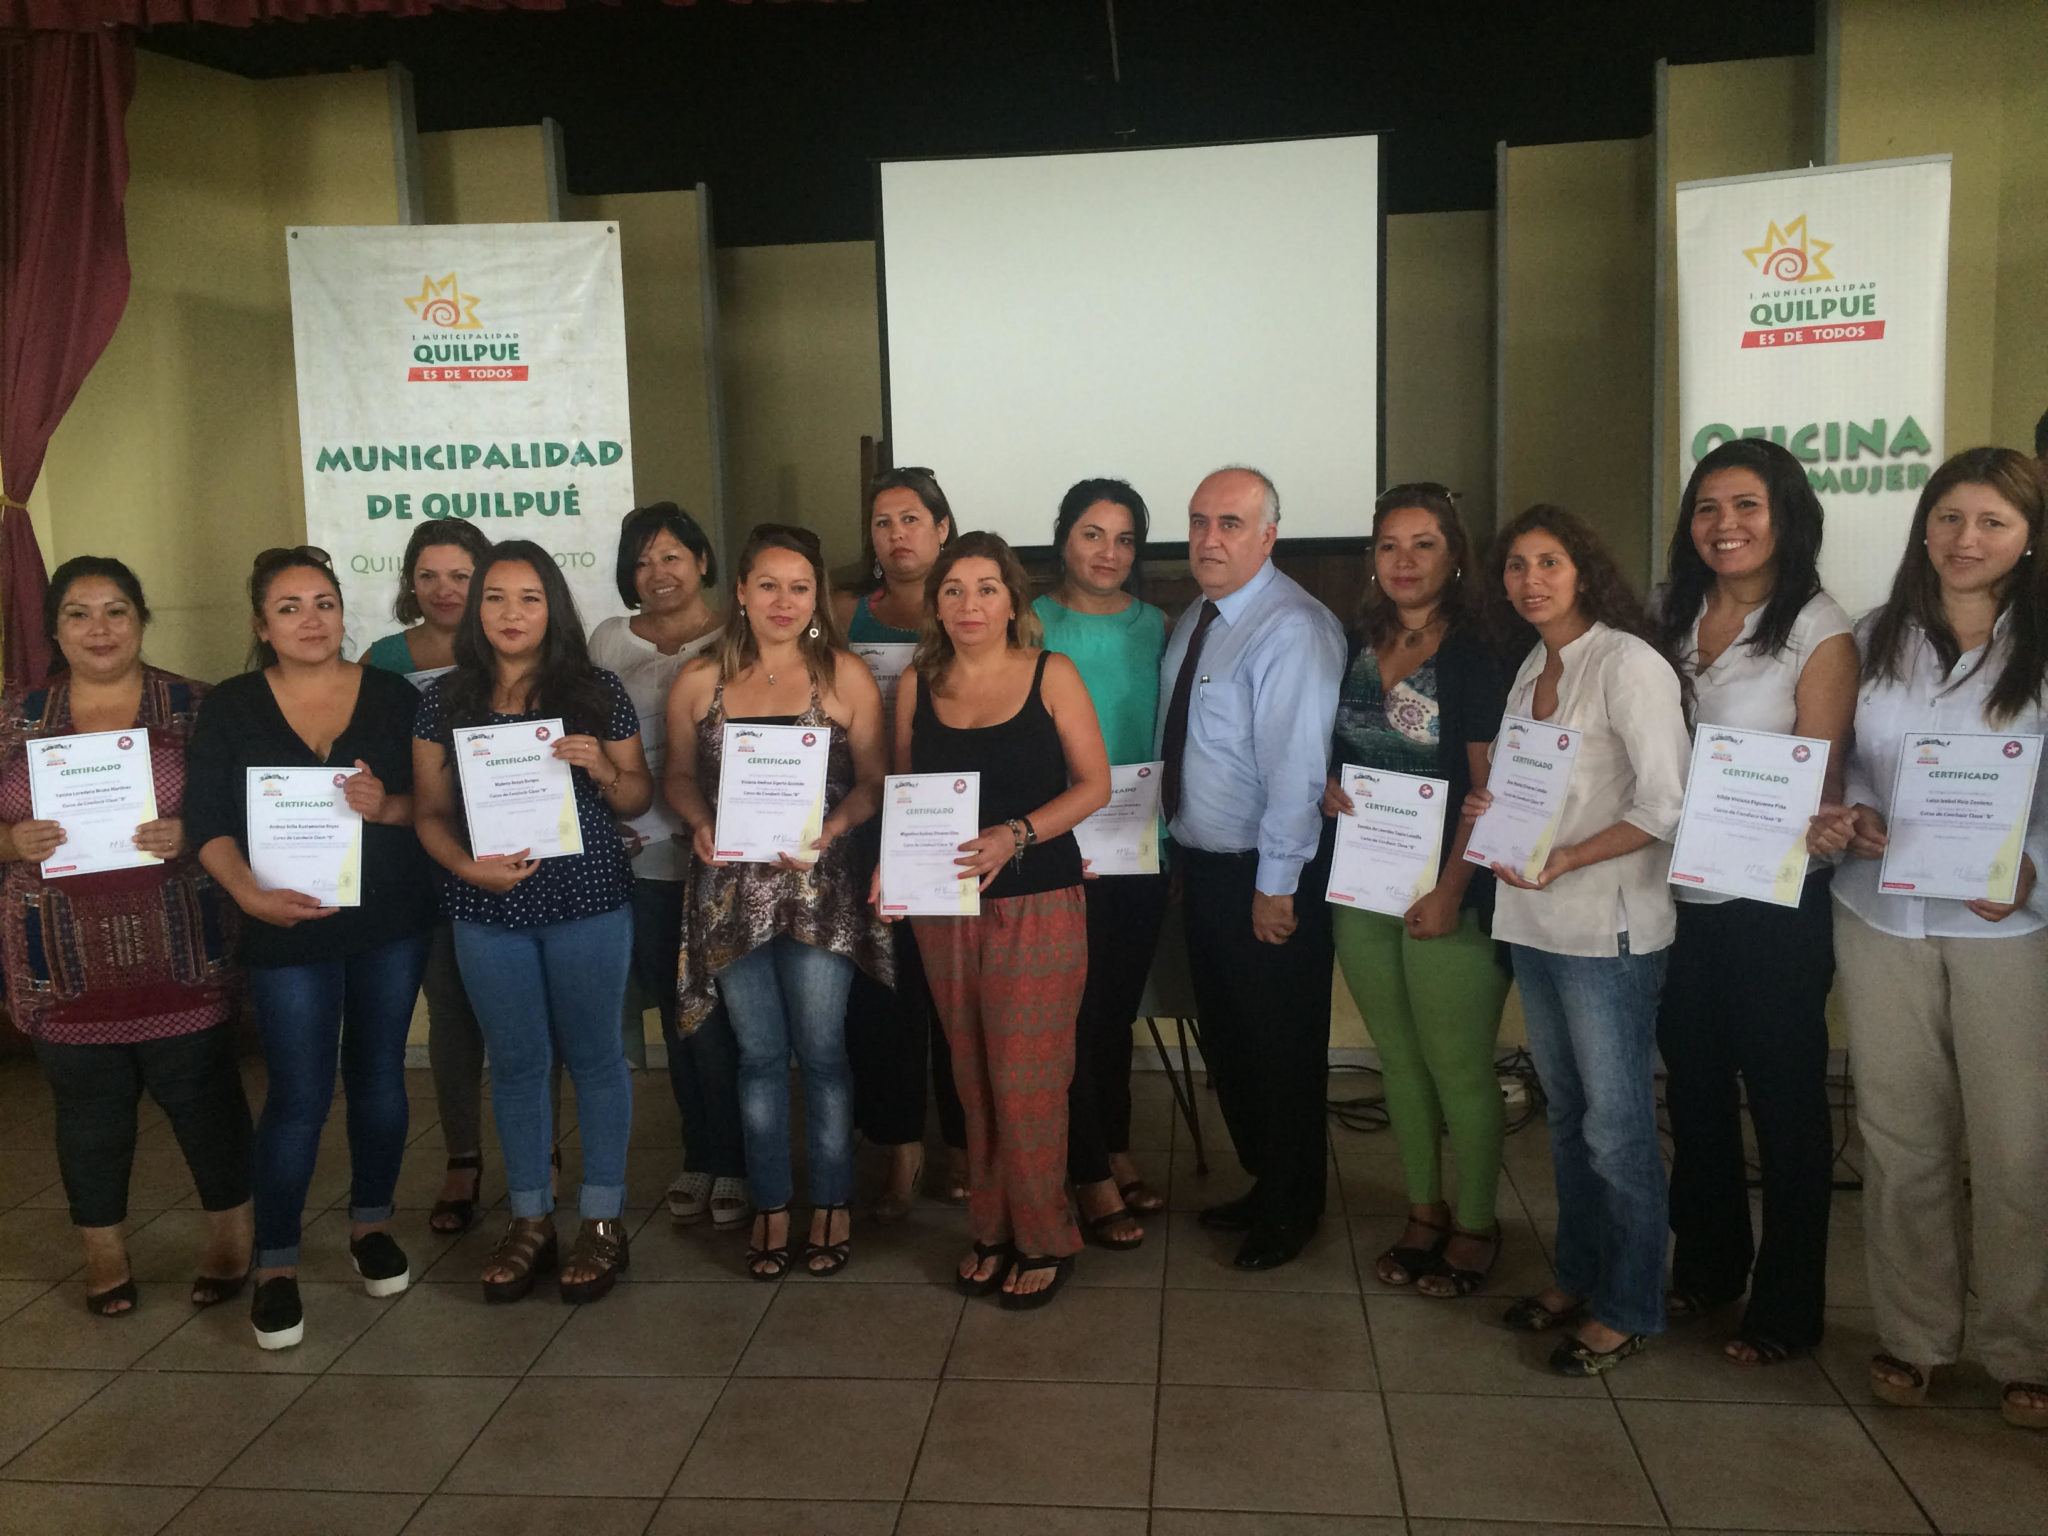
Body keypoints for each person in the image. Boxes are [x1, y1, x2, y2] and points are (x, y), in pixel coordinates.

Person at [1808, 447, 2048, 1431]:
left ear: (2027, 537)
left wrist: (2033, 868)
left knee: (2015, 1146)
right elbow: (1853, 768)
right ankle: (1912, 1335)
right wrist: (1849, 816)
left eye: (1990, 522)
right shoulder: (1874, 636)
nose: (1963, 540)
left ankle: (2018, 1343)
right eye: (1947, 518)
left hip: (2007, 929)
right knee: (1899, 1136)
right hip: (1879, 914)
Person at [187, 547, 439, 1350]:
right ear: (262, 625)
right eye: (290, 607)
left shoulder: (394, 696)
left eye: (324, 602)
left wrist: (386, 804)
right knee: (298, 1094)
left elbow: (431, 805)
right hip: (282, 924)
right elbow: (207, 824)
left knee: (377, 1081)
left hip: (388, 921)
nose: (310, 619)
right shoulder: (231, 707)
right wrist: (248, 895)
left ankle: (371, 1225)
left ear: (342, 612)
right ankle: (278, 1265)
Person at [1467, 505, 1690, 1376]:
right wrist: (1498, 815)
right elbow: (1542, 790)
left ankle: (1631, 1304)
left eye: (1549, 563)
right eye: (1517, 566)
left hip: (1610, 929)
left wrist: (1566, 855)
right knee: (1566, 1122)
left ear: (1585, 571)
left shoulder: (1626, 663)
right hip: (1535, 921)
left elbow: (1666, 804)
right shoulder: (1533, 667)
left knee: (1617, 1131)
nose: (1531, 581)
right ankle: (1578, 1275)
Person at [0, 557, 251, 1317]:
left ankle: (230, 1239)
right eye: (79, 613)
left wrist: (193, 827)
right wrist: (13, 845)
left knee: (205, 1102)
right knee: (87, 1114)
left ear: (142, 618)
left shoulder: (198, 707)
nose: (99, 629)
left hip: (184, 952)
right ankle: (103, 1254)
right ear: (54, 628)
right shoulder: (13, 716)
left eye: (116, 610)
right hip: (59, 964)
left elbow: (253, 806)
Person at [1651, 439, 1856, 1365]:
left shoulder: (1818, 626)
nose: (1724, 526)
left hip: (1774, 905)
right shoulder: (1671, 617)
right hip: (1678, 896)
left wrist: (1822, 822)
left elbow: (1823, 773)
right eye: (1707, 508)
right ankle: (1708, 1267)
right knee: (1691, 1092)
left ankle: (1784, 1306)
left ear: (1786, 516)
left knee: (1784, 1107)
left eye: (1745, 507)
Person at [412, 540, 653, 1306]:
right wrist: (464, 867)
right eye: (495, 598)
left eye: (528, 598)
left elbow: (637, 797)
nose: (511, 614)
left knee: (596, 1061)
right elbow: (429, 813)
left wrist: (603, 770)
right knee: (515, 1066)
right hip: (487, 907)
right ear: (475, 609)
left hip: (586, 903)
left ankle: (604, 1220)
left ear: (553, 608)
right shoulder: (445, 700)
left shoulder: (595, 691)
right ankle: (530, 1219)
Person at [892, 531, 1110, 1308]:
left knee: (1029, 1081)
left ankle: (1045, 1235)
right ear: (935, 604)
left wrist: (1015, 835)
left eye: (987, 588)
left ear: (1014, 600)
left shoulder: (1053, 675)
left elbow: (1095, 786)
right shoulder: (919, 682)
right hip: (943, 908)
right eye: (953, 590)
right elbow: (902, 787)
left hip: (1038, 901)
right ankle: (990, 1227)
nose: (969, 604)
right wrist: (894, 856)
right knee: (971, 1078)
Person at [667, 524, 891, 1278]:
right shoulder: (701, 679)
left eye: (800, 587)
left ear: (816, 594)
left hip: (819, 891)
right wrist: (698, 821)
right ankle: (770, 1204)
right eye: (768, 585)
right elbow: (674, 778)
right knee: (759, 1056)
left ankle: (829, 1201)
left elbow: (872, 783)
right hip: (729, 894)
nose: (784, 601)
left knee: (823, 1053)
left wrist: (831, 828)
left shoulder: (846, 677)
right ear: (739, 590)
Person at [1323, 485, 1512, 1298]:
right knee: (1398, 1061)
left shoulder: (1478, 650)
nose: (1404, 561)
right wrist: (1329, 784)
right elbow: (1341, 744)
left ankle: (1476, 1223)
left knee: (1460, 1067)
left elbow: (1490, 788)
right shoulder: (1356, 640)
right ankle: (1424, 1209)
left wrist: (1453, 886)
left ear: (1455, 554)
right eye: (1390, 545)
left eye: (1423, 544)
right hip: (1363, 877)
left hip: (1450, 892)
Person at [1162, 467, 1345, 1271]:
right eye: (1200, 522)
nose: (1210, 539)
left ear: (1269, 534)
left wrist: (1276, 888)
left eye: (1230, 524)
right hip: (1203, 869)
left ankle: (1293, 1206)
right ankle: (1265, 1180)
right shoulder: (1195, 619)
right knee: (1232, 1043)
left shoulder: (1291, 629)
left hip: (1265, 877)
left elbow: (1298, 773)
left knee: (1280, 1048)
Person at [588, 503, 747, 1231]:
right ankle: (700, 1152)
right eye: (643, 560)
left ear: (704, 561)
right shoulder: (607, 641)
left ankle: (743, 1159)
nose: (659, 573)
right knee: (682, 1020)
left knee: (737, 1020)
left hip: (729, 856)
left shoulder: (742, 633)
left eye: (673, 555)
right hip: (642, 859)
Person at [1031, 478, 1168, 1247]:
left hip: (1140, 848)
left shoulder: (1162, 626)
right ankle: (1077, 1166)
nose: (1108, 552)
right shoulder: (1028, 622)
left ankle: (1112, 1149)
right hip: (1055, 848)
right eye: (1092, 534)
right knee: (1065, 1019)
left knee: (1112, 1012)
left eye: (1123, 538)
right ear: (1063, 540)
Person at [832, 467, 969, 1217]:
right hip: (859, 822)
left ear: (942, 527)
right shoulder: (847, 612)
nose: (897, 535)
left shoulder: (972, 609)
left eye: (912, 519)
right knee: (883, 995)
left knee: (951, 992)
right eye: (883, 522)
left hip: (946, 827)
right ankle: (898, 1148)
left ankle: (961, 1147)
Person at [361, 518, 497, 1235]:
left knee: (524, 1013)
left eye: (461, 575)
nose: (445, 590)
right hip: (422, 857)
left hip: (515, 853)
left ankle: (545, 1154)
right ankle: (463, 1157)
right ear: (411, 582)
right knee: (449, 1010)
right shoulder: (382, 659)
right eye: (429, 575)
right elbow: (374, 765)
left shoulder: (511, 641)